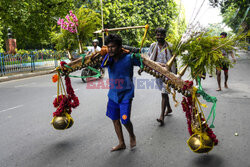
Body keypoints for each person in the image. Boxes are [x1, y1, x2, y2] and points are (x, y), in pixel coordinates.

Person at [101, 34, 141, 151]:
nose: (110, 49)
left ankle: (132, 135)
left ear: (119, 47)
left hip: (126, 95)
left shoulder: (129, 57)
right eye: (108, 47)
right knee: (115, 119)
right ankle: (121, 143)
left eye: (113, 47)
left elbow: (143, 62)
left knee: (125, 119)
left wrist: (142, 67)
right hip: (113, 95)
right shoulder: (109, 59)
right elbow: (103, 64)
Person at [148, 27, 177, 126]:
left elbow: (174, 60)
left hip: (168, 73)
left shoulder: (170, 46)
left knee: (164, 93)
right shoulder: (152, 46)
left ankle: (162, 116)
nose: (159, 37)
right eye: (157, 35)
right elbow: (149, 59)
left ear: (165, 36)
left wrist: (174, 74)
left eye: (161, 35)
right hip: (157, 73)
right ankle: (168, 108)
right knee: (163, 92)